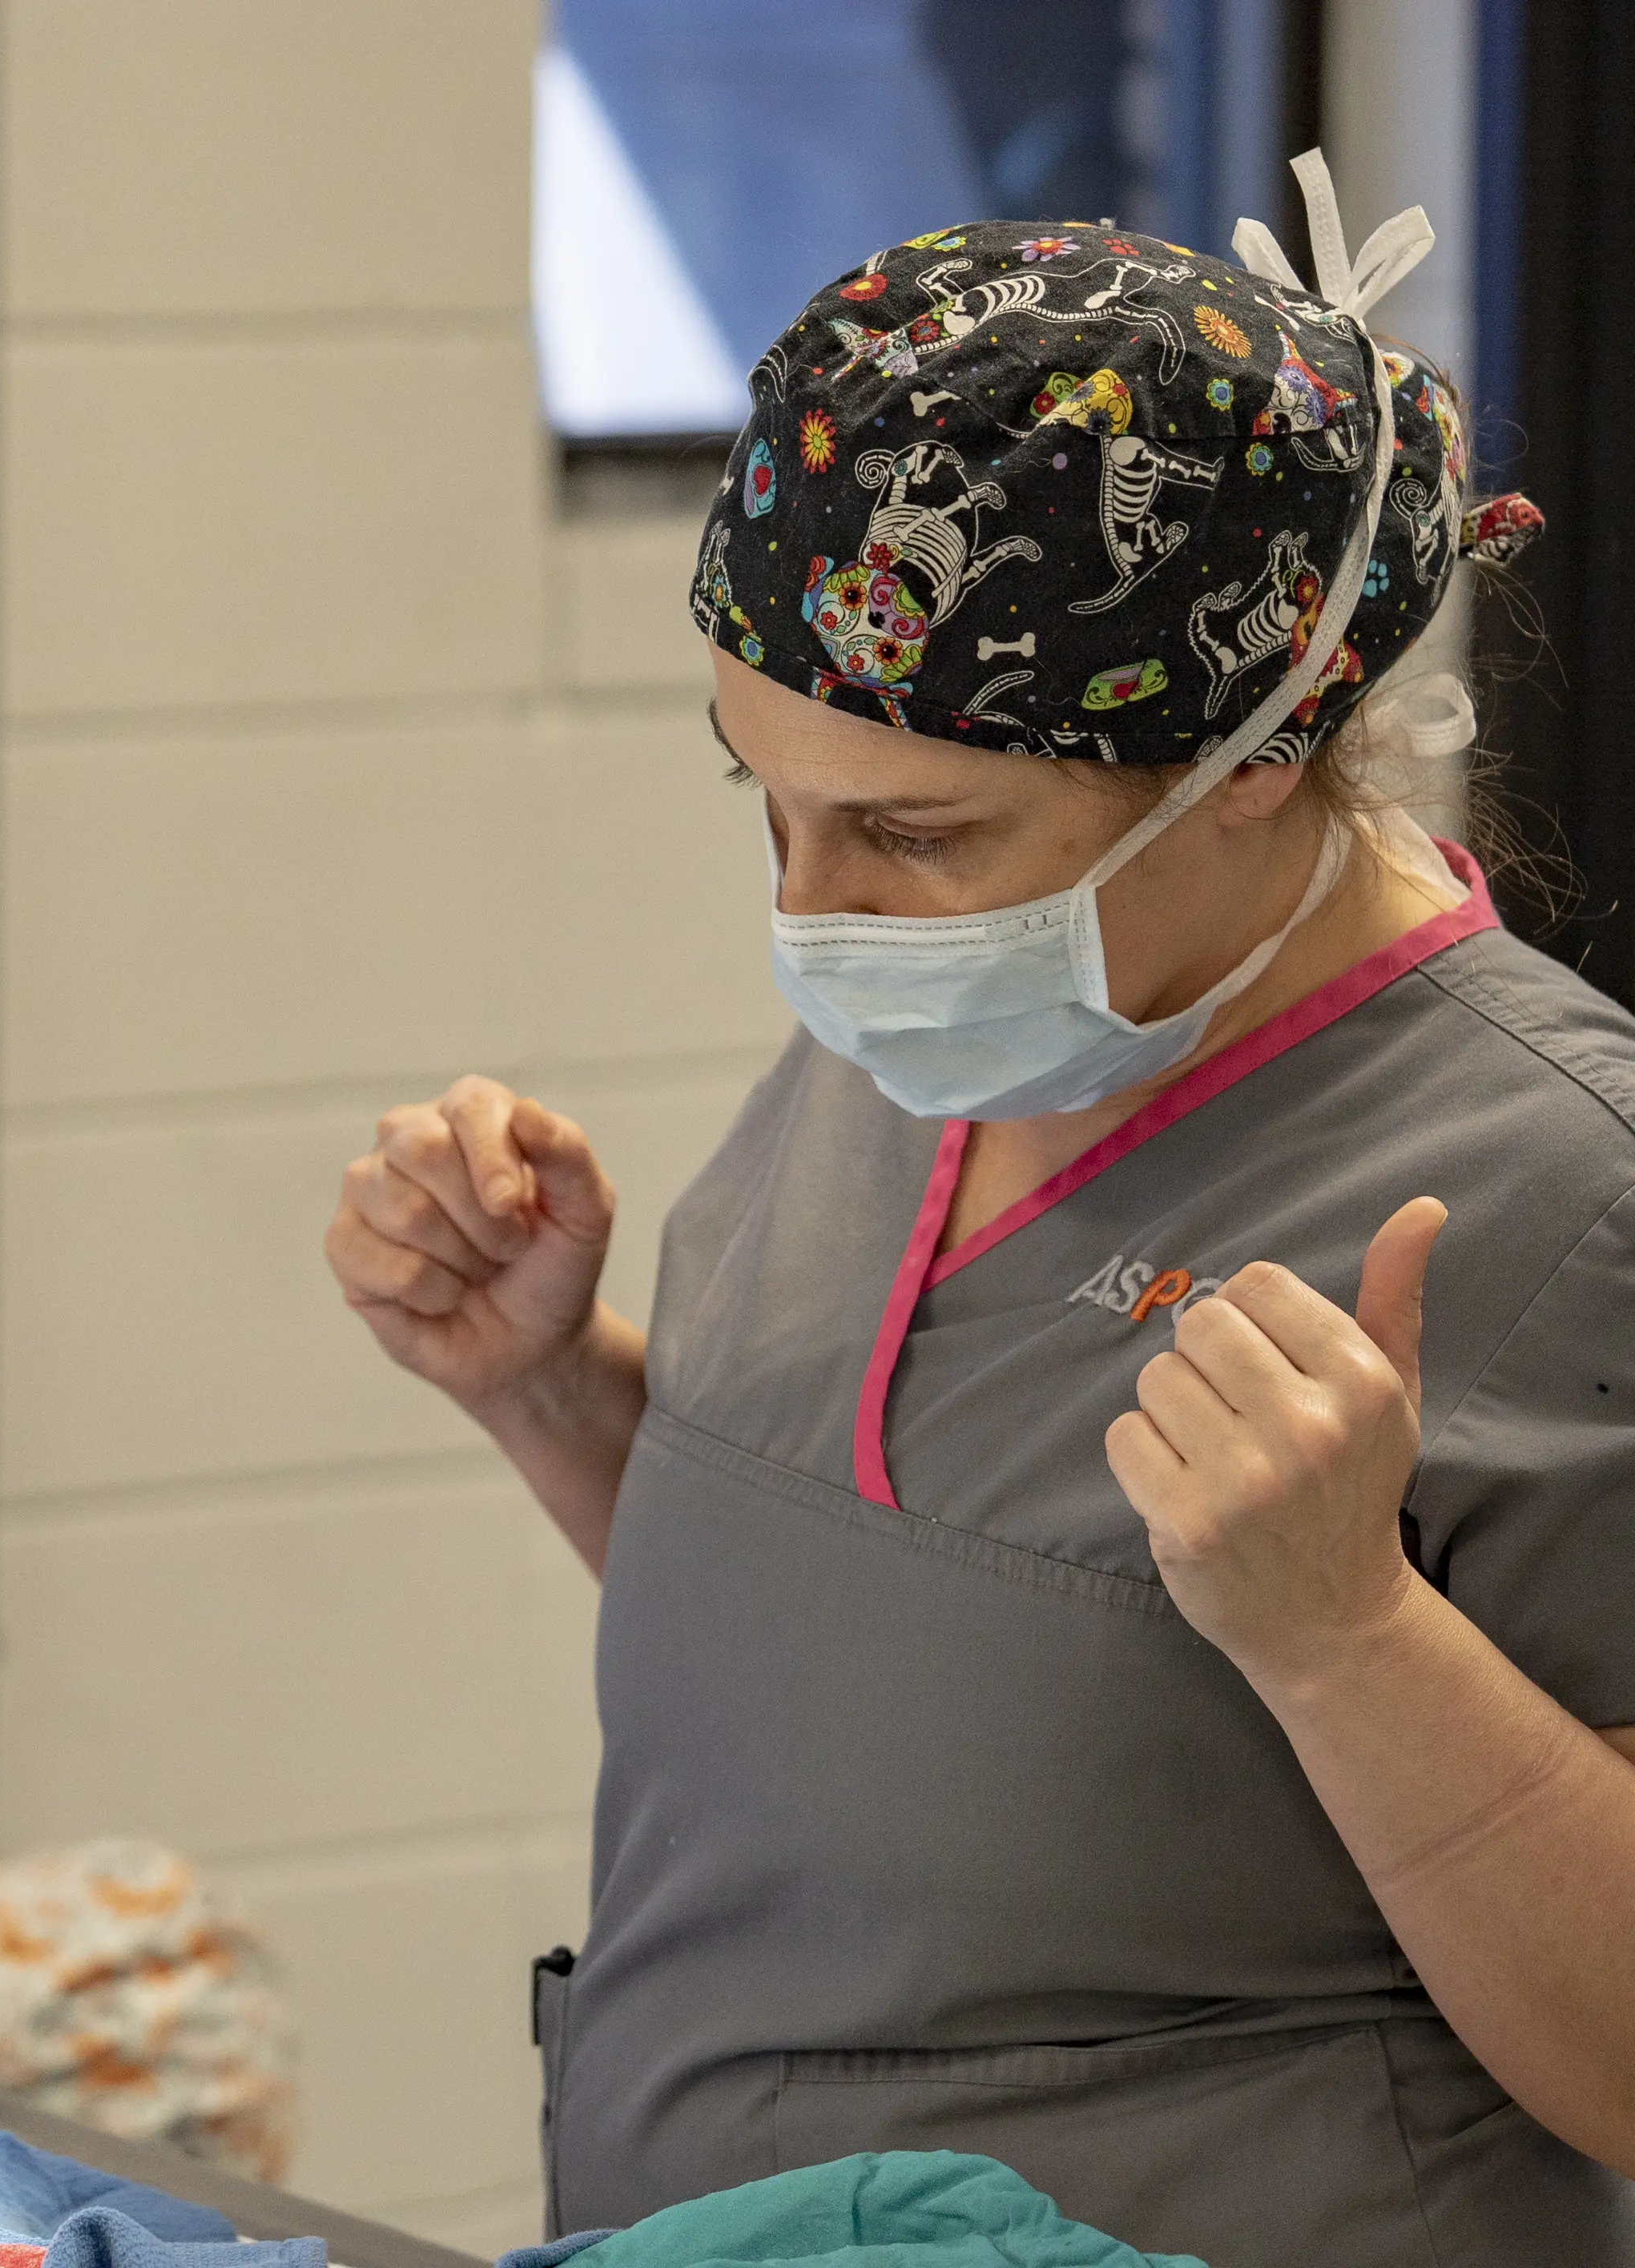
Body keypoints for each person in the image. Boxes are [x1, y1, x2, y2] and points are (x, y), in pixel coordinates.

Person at [325, 164, 1632, 2264]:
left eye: (916, 836)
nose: (812, 920)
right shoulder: (968, 1030)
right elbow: (902, 1634)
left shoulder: (1561, 1194)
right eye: (767, 804)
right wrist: (557, 1392)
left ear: (1267, 743)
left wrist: (1355, 1641)